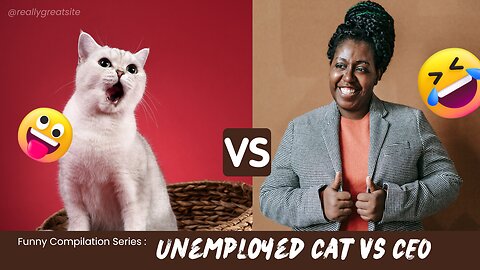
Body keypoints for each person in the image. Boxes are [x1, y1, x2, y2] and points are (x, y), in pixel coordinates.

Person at [259, 0, 462, 231]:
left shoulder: (410, 121)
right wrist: (318, 204)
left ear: (378, 74)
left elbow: (448, 182)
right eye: (340, 65)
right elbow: (270, 197)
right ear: (331, 67)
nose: (348, 77)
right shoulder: (300, 129)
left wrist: (391, 202)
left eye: (361, 68)